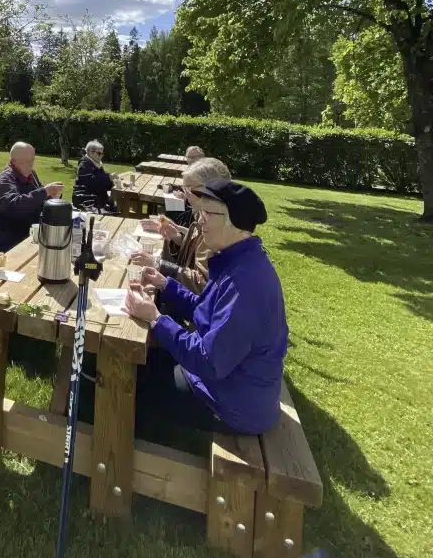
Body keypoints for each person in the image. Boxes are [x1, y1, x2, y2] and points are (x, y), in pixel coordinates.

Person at [125, 179, 287, 437]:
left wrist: (155, 318)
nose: (199, 221)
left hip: (231, 404)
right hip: (229, 385)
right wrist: (166, 284)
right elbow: (205, 310)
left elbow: (209, 362)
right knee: (136, 361)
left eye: (207, 214)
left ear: (235, 222)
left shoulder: (245, 282)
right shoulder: (236, 261)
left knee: (123, 380)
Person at [134, 157, 231, 294]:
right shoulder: (203, 212)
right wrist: (177, 236)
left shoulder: (216, 222)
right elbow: (196, 251)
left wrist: (159, 265)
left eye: (188, 188)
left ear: (209, 188)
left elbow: (202, 285)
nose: (184, 193)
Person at [0, 142, 64, 252]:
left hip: (25, 235)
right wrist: (44, 192)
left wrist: (51, 197)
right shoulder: (4, 180)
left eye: (32, 161)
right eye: (25, 162)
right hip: (5, 242)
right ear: (13, 161)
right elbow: (13, 207)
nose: (30, 166)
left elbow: (36, 199)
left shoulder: (31, 175)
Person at [72, 140, 118, 213]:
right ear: (90, 153)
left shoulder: (96, 164)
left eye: (102, 153)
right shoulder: (84, 166)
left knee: (120, 208)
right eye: (99, 153)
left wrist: (113, 183)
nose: (101, 156)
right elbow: (92, 183)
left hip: (96, 201)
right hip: (87, 202)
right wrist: (108, 177)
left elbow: (102, 181)